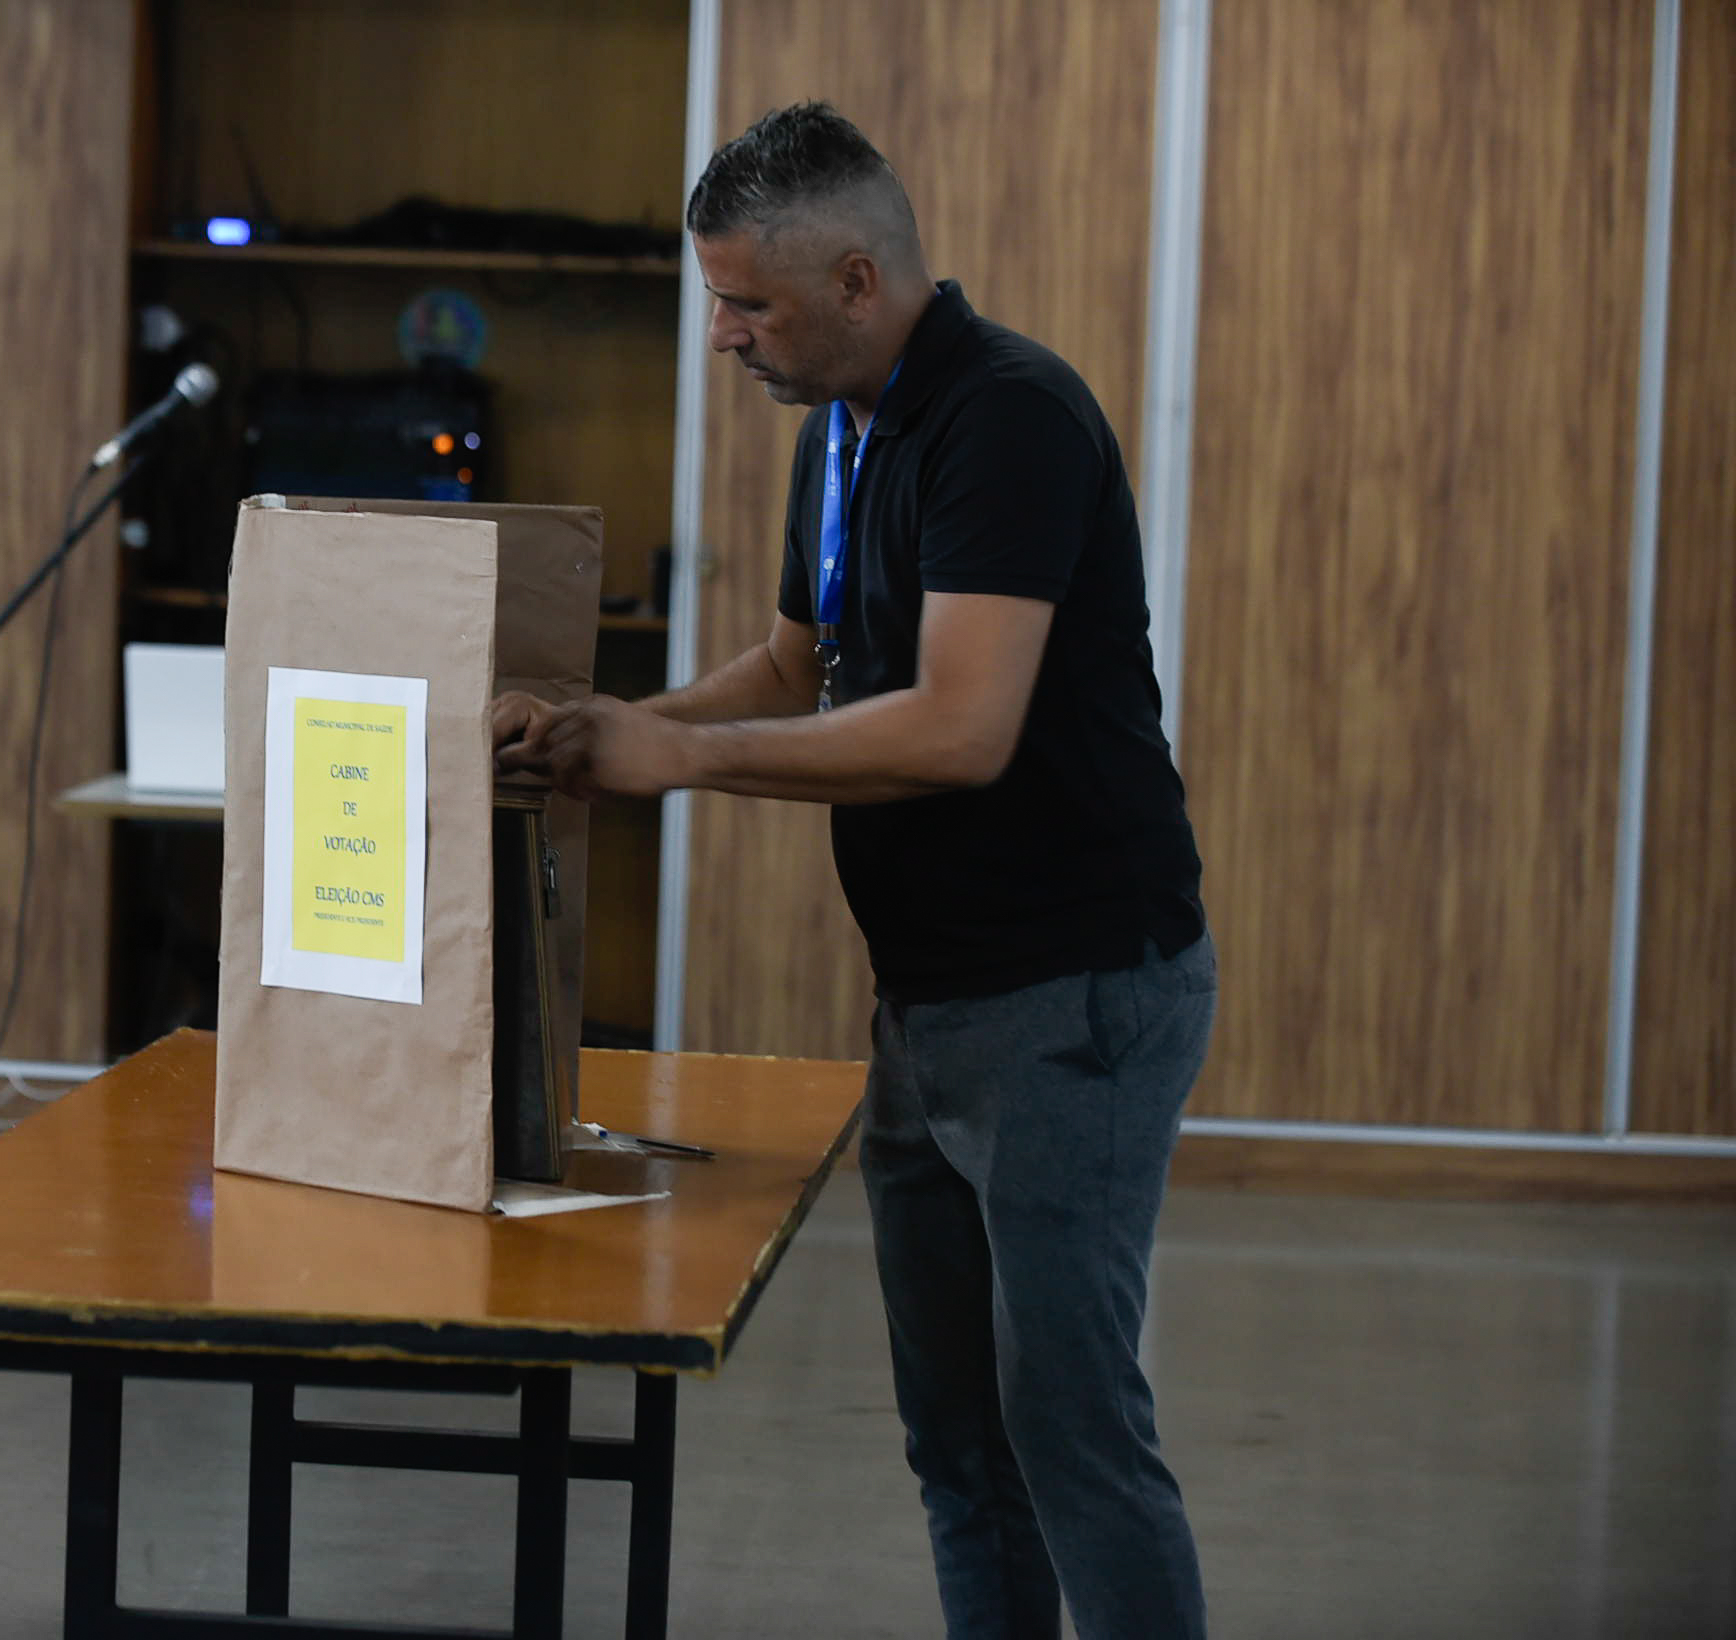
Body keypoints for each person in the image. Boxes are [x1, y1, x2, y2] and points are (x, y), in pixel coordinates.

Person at [493, 102, 1214, 1640]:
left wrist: (680, 763)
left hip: (1075, 997)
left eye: (747, 305)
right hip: (931, 1001)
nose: (724, 339)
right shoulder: (840, 429)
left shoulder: (1010, 417)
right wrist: (609, 727)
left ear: (856, 283)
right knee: (957, 1440)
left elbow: (961, 728)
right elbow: (790, 664)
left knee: (1070, 1432)